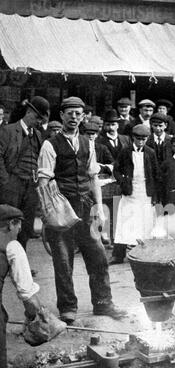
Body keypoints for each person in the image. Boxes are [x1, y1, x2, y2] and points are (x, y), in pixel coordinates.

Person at [38, 96, 128, 323]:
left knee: (98, 257)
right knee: (63, 261)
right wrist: (49, 214)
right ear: (62, 115)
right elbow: (43, 182)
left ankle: (103, 303)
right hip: (61, 209)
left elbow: (93, 177)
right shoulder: (50, 145)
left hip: (85, 208)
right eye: (70, 113)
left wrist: (98, 205)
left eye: (79, 114)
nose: (74, 118)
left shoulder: (89, 144)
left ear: (83, 116)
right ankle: (68, 308)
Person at [0, 204, 66, 368]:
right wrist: (39, 317)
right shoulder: (13, 246)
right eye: (19, 225)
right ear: (11, 224)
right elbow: (27, 295)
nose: (20, 231)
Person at [0, 96, 50, 251]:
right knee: (8, 224)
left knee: (25, 226)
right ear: (28, 112)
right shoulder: (7, 131)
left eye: (42, 119)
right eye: (37, 117)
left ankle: (20, 261)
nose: (39, 122)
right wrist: (6, 182)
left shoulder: (39, 135)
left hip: (31, 187)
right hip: (12, 184)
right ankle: (4, 265)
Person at [110, 124, 161, 264]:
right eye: (138, 138)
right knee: (124, 222)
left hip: (146, 193)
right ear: (133, 138)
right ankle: (118, 255)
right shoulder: (125, 151)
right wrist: (123, 181)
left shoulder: (150, 152)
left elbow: (156, 175)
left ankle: (146, 253)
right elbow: (116, 170)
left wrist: (155, 196)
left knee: (146, 223)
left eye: (144, 139)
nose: (141, 142)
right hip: (130, 193)